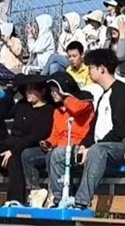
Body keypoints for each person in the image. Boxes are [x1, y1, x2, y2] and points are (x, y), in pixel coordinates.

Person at [47, 49, 125, 210]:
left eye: (91, 67)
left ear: (102, 68)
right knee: (59, 153)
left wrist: (92, 148)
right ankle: (59, 200)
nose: (89, 71)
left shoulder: (121, 91)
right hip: (101, 146)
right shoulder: (104, 95)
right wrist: (84, 146)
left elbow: (121, 130)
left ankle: (81, 202)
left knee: (97, 150)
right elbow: (93, 129)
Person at [0, 75, 54, 206]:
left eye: (32, 89)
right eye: (26, 89)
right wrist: (11, 92)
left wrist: (14, 150)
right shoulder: (22, 105)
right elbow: (2, 113)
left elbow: (37, 135)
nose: (28, 92)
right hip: (12, 142)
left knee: (14, 159)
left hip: (31, 146)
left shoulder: (48, 110)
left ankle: (15, 199)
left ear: (42, 91)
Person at [21, 72, 94, 208]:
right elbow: (55, 135)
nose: (52, 93)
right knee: (28, 155)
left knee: (54, 154)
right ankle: (35, 191)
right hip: (58, 148)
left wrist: (65, 98)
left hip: (77, 147)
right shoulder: (57, 111)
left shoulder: (84, 102)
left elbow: (77, 109)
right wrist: (48, 142)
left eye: (55, 90)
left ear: (63, 89)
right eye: (52, 90)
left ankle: (55, 195)